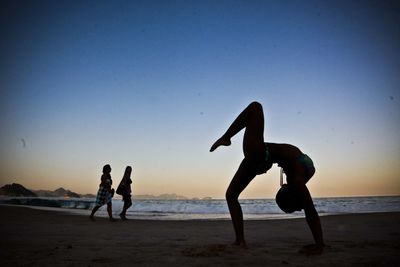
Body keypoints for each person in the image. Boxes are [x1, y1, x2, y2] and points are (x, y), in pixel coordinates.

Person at [210, 101, 324, 254]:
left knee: (255, 107)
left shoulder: (296, 181)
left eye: (282, 188)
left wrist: (319, 246)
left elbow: (310, 211)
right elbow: (308, 208)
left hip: (260, 154)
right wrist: (320, 243)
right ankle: (240, 241)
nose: (282, 185)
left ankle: (226, 138)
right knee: (231, 195)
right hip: (261, 157)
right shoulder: (298, 178)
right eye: (282, 189)